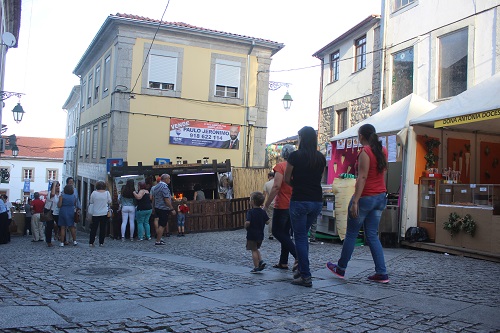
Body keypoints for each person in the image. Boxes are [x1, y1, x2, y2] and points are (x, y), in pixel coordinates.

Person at [327, 124, 390, 283]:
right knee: (372, 235)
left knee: (351, 234)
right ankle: (381, 272)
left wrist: (355, 200)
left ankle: (341, 268)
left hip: (366, 197)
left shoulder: (365, 153)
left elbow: (362, 177)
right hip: (380, 196)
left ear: (361, 136)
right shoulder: (383, 151)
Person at [285, 126, 326, 288]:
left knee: (300, 237)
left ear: (302, 138)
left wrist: (298, 184)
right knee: (304, 237)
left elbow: (287, 178)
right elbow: (319, 179)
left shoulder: (295, 156)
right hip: (316, 201)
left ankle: (305, 275)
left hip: (299, 199)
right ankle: (301, 269)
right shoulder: (320, 158)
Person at [263, 144, 297, 271]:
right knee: (286, 234)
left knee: (277, 232)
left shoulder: (281, 167)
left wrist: (266, 205)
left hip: (282, 204)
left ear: (283, 154)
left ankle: (297, 255)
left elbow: (276, 186)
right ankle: (283, 262)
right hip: (293, 204)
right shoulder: (298, 168)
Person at [245, 191, 269, 273]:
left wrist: (245, 225)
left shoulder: (250, 212)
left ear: (253, 202)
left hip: (252, 235)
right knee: (257, 248)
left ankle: (256, 266)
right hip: (260, 235)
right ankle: (261, 261)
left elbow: (248, 222)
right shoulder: (263, 212)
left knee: (253, 250)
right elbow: (267, 222)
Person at [151, 173, 176, 245]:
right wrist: (172, 209)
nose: (170, 180)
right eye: (169, 178)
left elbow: (154, 198)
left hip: (157, 207)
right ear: (165, 179)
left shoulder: (156, 186)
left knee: (160, 224)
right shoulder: (164, 187)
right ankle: (158, 240)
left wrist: (154, 207)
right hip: (163, 208)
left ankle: (159, 238)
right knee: (162, 225)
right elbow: (166, 199)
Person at [89, 181, 112, 247]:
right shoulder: (107, 193)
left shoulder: (94, 193)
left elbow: (91, 201)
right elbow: (110, 201)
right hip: (104, 213)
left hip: (95, 213)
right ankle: (101, 242)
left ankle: (91, 242)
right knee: (103, 228)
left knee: (94, 228)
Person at [43, 182, 59, 247]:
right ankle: (48, 241)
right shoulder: (50, 193)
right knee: (49, 226)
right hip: (49, 211)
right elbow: (52, 194)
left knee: (60, 225)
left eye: (58, 186)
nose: (57, 187)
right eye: (56, 186)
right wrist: (54, 184)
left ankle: (60, 237)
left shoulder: (60, 194)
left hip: (56, 211)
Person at [263, 171, 275, 240]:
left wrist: (263, 203)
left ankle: (271, 234)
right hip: (278, 202)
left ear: (269, 177)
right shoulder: (278, 182)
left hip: (270, 202)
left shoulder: (266, 184)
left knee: (270, 219)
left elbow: (264, 195)